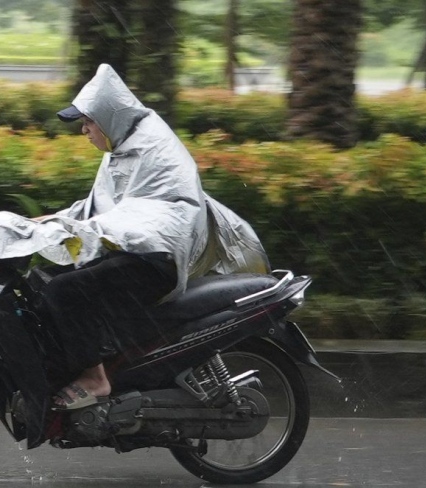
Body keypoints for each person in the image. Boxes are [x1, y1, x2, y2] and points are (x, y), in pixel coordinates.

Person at [36, 64, 270, 410]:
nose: (83, 130)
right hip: (134, 252)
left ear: (107, 117)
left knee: (65, 290)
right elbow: (98, 208)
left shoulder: (153, 149)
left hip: (154, 261)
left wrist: (79, 228)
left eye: (87, 122)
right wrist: (46, 222)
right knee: (41, 281)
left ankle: (96, 379)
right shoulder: (122, 145)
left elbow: (144, 215)